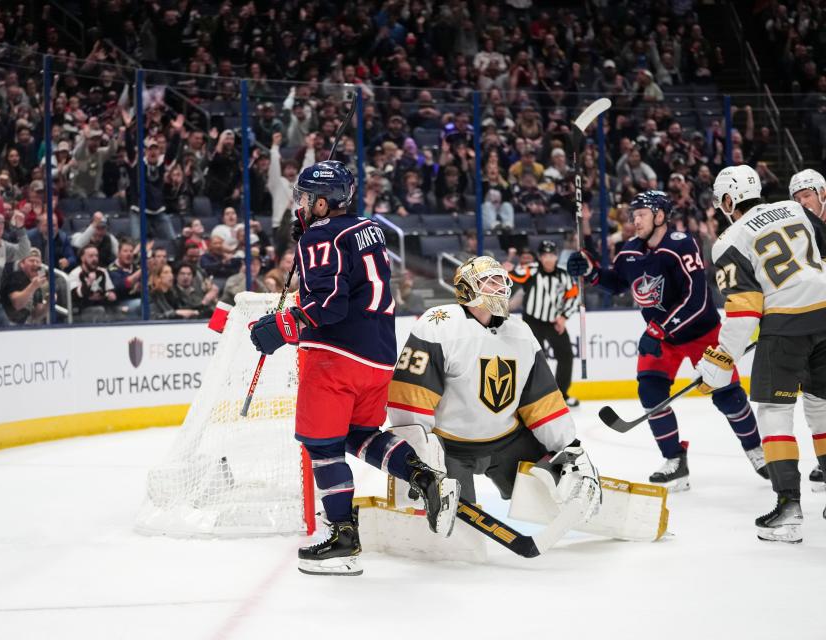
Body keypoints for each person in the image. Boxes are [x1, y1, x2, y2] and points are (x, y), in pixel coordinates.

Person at [248, 160, 458, 576]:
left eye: (307, 199)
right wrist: (314, 234)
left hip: (335, 357)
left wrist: (284, 326)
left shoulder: (322, 236)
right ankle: (425, 477)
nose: (301, 205)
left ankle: (343, 538)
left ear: (324, 203)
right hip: (378, 356)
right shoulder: (369, 228)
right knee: (360, 435)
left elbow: (329, 304)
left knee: (322, 446)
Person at [567, 191, 765, 490]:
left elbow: (697, 299)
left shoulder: (681, 244)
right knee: (650, 392)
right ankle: (675, 460)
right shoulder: (629, 250)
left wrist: (657, 330)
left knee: (728, 396)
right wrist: (592, 272)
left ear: (660, 216)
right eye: (633, 215)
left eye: (642, 214)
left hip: (702, 334)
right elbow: (618, 283)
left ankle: (756, 451)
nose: (635, 220)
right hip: (664, 338)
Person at [386, 256, 601, 519]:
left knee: (557, 492)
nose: (499, 286)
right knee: (458, 529)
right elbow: (410, 396)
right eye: (489, 281)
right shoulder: (438, 324)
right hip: (450, 447)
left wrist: (569, 447)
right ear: (467, 289)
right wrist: (419, 458)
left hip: (507, 442)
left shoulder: (521, 333)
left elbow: (542, 400)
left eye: (501, 279)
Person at [697, 165, 826, 543]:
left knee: (775, 412)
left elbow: (745, 309)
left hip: (785, 327)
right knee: (821, 404)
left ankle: (788, 508)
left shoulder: (729, 239)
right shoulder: (796, 209)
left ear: (727, 200)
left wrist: (721, 360)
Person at [788, 169, 826, 488]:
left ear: (822, 193)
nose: (803, 202)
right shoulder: (799, 236)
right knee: (818, 398)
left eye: (808, 195)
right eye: (797, 199)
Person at [506, 240, 580, 406]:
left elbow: (574, 296)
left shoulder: (564, 275)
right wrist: (505, 270)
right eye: (545, 255)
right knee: (536, 359)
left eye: (552, 255)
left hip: (555, 322)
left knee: (566, 355)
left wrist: (564, 317)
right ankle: (537, 397)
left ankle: (562, 395)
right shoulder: (531, 270)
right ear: (540, 257)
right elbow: (513, 275)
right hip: (533, 322)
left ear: (556, 256)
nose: (548, 259)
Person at [68, 244, 116, 323]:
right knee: (99, 311)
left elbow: (110, 290)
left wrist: (111, 295)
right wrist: (88, 283)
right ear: (82, 258)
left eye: (96, 256)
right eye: (91, 256)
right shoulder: (75, 274)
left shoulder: (102, 272)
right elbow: (75, 295)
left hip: (102, 306)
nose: (94, 259)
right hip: (82, 310)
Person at [0, 248, 49, 325]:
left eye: (38, 261)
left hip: (24, 324)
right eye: (31, 261)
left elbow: (36, 315)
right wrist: (33, 286)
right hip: (7, 324)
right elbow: (17, 304)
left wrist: (48, 304)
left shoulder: (37, 284)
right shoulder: (15, 277)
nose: (35, 264)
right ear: (22, 264)